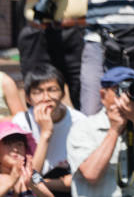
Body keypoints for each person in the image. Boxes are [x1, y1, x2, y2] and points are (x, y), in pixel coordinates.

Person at [66, 67, 134, 196]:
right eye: (119, 90)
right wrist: (114, 130)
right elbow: (91, 174)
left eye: (131, 90)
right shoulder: (83, 127)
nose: (125, 97)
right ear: (103, 95)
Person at [12, 64, 85, 196]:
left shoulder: (79, 121)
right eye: (38, 92)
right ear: (28, 98)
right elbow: (28, 176)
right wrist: (46, 134)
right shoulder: (21, 123)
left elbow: (80, 179)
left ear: (63, 93)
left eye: (52, 90)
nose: (46, 97)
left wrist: (42, 183)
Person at [0, 121, 53, 197]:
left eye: (19, 144)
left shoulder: (31, 174)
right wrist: (10, 182)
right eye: (8, 144)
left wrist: (33, 185)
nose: (15, 149)